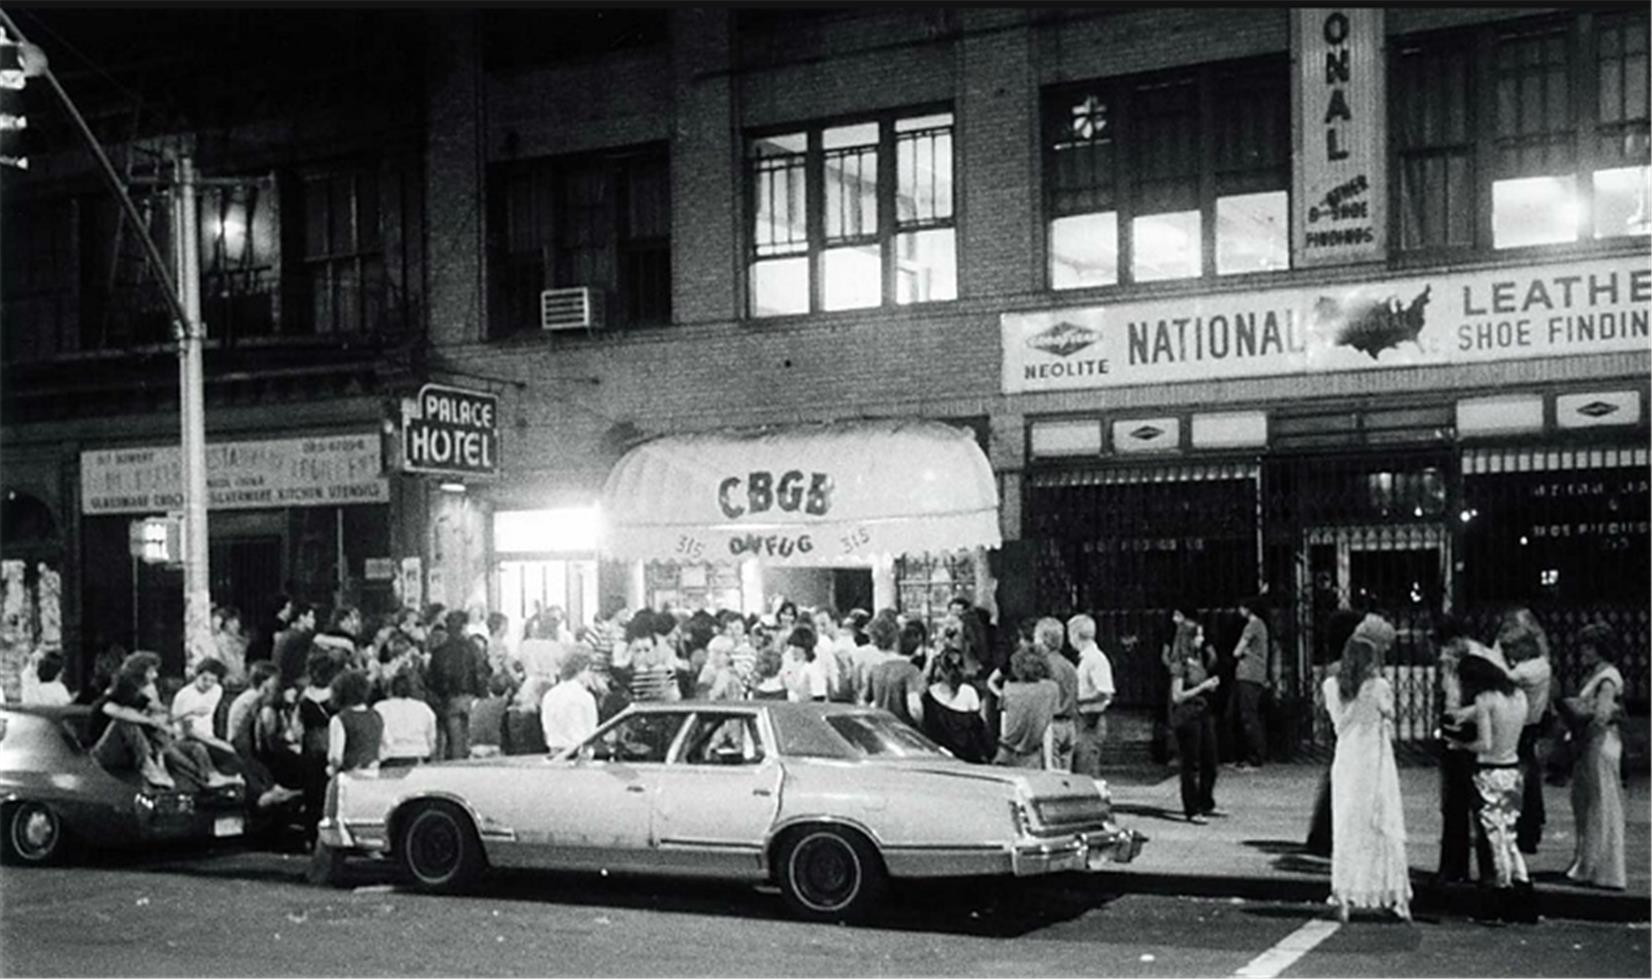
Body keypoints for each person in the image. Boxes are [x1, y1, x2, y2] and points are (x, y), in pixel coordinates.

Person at [1324, 634, 1411, 923]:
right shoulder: (1379, 687)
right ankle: (1395, 895)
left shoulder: (1331, 686)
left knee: (1347, 826)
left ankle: (1344, 894)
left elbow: (1338, 722)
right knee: (1383, 823)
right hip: (1374, 760)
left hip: (1347, 759)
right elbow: (1389, 715)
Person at [1450, 650, 1533, 922]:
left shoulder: (1485, 699)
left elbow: (1484, 744)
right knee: (1509, 838)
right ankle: (1523, 893)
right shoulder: (1517, 696)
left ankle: (1500, 898)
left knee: (1493, 839)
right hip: (1513, 769)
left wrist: (1459, 744)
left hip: (1489, 770)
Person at [1305, 610, 1384, 858]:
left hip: (1345, 728)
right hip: (1350, 730)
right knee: (1342, 783)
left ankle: (1325, 835)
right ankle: (1327, 835)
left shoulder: (1339, 666)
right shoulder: (1343, 668)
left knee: (1337, 780)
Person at [1559, 622, 1626, 890]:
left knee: (1600, 802)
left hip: (1600, 743)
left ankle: (1602, 867)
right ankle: (1588, 862)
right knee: (1588, 802)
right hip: (1593, 742)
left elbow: (1601, 715)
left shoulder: (1608, 677)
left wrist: (1577, 729)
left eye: (1588, 647)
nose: (1583, 652)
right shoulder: (1598, 674)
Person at [1433, 616, 1496, 886]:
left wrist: (1464, 714)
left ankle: (1488, 869)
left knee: (1478, 803)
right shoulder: (1450, 659)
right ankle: (1453, 866)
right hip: (1454, 727)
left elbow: (1494, 697)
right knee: (1452, 803)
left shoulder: (1482, 658)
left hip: (1474, 728)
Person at [1496, 608, 1552, 855]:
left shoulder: (1527, 671)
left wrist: (1497, 646)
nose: (1510, 654)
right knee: (1529, 781)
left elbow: (1501, 678)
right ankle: (1531, 827)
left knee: (1521, 782)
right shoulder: (1542, 665)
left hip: (1523, 727)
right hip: (1531, 726)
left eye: (1513, 649)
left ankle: (1523, 828)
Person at [1168, 612, 1221, 823]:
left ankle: (1206, 800)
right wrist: (1202, 687)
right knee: (1190, 763)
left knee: (1211, 759)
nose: (1201, 639)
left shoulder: (1198, 659)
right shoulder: (1179, 662)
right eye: (1198, 636)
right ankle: (1192, 808)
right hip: (1187, 714)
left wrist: (1210, 686)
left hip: (1202, 710)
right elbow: (1177, 695)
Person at [427, 609, 488, 760]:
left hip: (450, 700)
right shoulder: (473, 649)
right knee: (474, 743)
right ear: (464, 626)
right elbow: (480, 674)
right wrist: (483, 696)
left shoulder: (439, 652)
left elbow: (432, 680)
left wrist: (441, 701)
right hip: (471, 698)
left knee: (456, 745)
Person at [921, 648, 991, 763]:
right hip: (967, 758)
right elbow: (978, 729)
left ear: (940, 670)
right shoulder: (969, 692)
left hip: (938, 758)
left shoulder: (929, 695)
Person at [993, 649, 1059, 769]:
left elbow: (1004, 726)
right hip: (1031, 754)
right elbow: (1048, 727)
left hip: (1006, 750)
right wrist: (1049, 764)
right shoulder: (1051, 689)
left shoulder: (1009, 688)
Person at [1229, 596, 1271, 770]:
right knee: (1246, 713)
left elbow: (1237, 651)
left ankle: (1255, 756)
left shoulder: (1252, 626)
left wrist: (1242, 651)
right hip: (1255, 674)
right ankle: (1249, 754)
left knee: (1248, 715)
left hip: (1248, 674)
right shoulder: (1261, 626)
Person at [1069, 614, 1113, 777]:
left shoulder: (1095, 659)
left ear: (1075, 635)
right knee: (1083, 768)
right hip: (1084, 719)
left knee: (1087, 770)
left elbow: (1104, 691)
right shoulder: (1087, 658)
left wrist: (1076, 700)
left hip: (1090, 720)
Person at [866, 614, 925, 727]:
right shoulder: (911, 671)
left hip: (882, 726)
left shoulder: (877, 669)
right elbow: (914, 707)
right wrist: (921, 724)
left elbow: (866, 700)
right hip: (902, 728)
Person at [540, 649, 601, 753]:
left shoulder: (549, 696)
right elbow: (591, 732)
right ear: (584, 669)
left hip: (555, 754)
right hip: (579, 754)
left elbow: (546, 729)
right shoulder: (585, 697)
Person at [325, 669, 382, 777]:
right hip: (373, 774)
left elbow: (336, 757)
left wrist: (330, 769)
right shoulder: (376, 716)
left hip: (349, 776)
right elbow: (387, 745)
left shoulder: (339, 719)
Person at [375, 670, 438, 766]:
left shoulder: (380, 708)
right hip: (417, 757)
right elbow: (432, 740)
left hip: (389, 758)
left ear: (390, 690)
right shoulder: (423, 708)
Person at [469, 671, 513, 758]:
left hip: (474, 747)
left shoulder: (476, 703)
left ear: (488, 690)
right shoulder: (505, 705)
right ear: (508, 691)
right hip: (495, 747)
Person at [275, 603, 318, 689]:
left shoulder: (288, 633)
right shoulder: (300, 637)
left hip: (281, 680)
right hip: (292, 683)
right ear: (302, 618)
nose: (314, 621)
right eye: (311, 617)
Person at [213, 606, 249, 684]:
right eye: (232, 622)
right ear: (224, 624)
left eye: (237, 622)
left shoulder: (239, 642)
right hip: (226, 681)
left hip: (239, 680)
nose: (237, 626)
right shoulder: (219, 641)